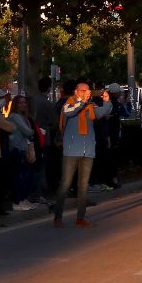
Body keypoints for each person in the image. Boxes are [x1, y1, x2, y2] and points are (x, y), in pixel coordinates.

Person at [54, 82, 112, 227]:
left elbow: (103, 113)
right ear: (75, 91)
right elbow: (70, 112)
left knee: (83, 185)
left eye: (87, 90)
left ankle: (80, 217)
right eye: (82, 90)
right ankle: (58, 216)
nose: (86, 92)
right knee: (65, 184)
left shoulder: (90, 106)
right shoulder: (68, 104)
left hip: (88, 150)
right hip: (71, 150)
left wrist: (107, 101)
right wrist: (82, 101)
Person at [7, 95, 38, 211]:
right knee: (19, 176)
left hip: (23, 148)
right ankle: (17, 201)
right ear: (15, 104)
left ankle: (23, 199)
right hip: (17, 148)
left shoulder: (22, 116)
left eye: (24, 103)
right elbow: (27, 131)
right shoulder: (15, 116)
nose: (23, 105)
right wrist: (33, 131)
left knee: (25, 176)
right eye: (20, 103)